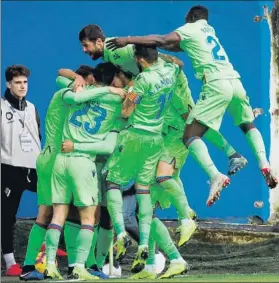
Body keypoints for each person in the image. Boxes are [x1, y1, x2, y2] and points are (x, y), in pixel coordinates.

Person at [106, 5, 278, 205]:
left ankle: (215, 175)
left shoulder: (191, 27)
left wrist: (127, 40)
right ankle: (264, 164)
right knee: (247, 124)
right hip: (234, 80)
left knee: (190, 134)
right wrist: (154, 50)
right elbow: (172, 46)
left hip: (215, 83)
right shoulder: (208, 30)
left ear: (192, 16)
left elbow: (162, 40)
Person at [20, 65, 119, 281]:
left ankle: (79, 264)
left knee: (72, 212)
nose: (90, 88)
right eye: (87, 83)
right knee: (49, 213)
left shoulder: (83, 97)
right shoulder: (68, 94)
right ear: (82, 82)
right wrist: (82, 81)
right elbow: (60, 75)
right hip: (55, 157)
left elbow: (62, 75)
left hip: (63, 160)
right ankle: (30, 265)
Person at [105, 44, 180, 273]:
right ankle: (145, 243)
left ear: (138, 59)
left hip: (136, 135)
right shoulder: (170, 71)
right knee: (143, 189)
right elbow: (179, 63)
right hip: (156, 139)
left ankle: (120, 233)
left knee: (112, 181)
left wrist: (124, 97)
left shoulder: (142, 81)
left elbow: (126, 112)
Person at [1, 65, 41, 276]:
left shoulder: (32, 108)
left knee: (52, 205)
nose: (22, 86)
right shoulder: (1, 107)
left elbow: (37, 136)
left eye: (25, 82)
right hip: (9, 168)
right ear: (8, 84)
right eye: (18, 82)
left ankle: (43, 251)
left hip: (34, 168)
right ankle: (10, 262)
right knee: (7, 216)